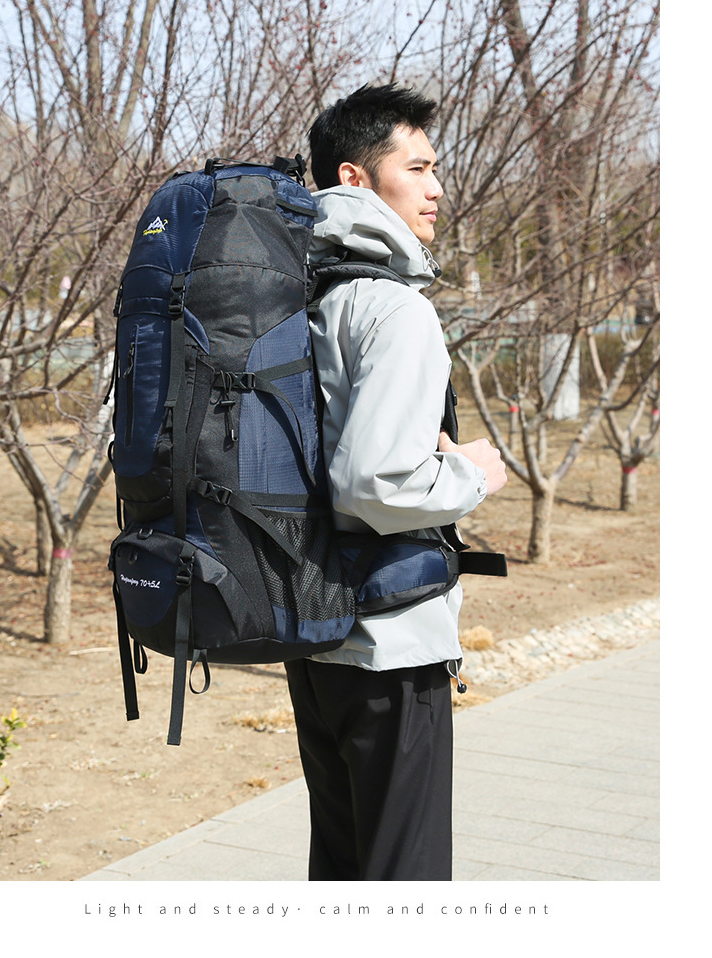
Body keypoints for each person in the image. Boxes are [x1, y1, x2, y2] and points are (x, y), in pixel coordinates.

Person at [284, 83, 507, 881]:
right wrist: (473, 471)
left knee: (343, 865)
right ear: (354, 178)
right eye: (417, 168)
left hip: (312, 628)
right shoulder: (392, 307)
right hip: (390, 640)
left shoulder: (302, 294)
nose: (437, 187)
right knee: (404, 879)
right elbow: (374, 482)